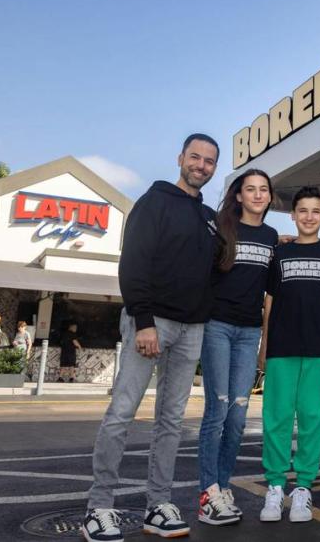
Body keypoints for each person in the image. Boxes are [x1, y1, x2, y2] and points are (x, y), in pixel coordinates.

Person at [82, 133, 220, 542]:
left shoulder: (209, 217)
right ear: (180, 158)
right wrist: (143, 320)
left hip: (192, 327)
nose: (201, 165)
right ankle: (98, 507)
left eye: (209, 161)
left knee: (171, 421)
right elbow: (134, 261)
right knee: (122, 412)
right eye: (194, 157)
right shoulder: (154, 201)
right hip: (153, 321)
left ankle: (157, 505)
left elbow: (213, 268)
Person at [197, 169, 278, 525]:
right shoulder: (221, 227)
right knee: (217, 411)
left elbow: (271, 291)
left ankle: (223, 487)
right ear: (240, 195)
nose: (258, 194)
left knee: (239, 415)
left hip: (248, 332)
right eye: (251, 189)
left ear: (270, 197)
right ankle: (207, 493)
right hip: (216, 326)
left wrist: (265, 338)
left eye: (263, 190)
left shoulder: (272, 236)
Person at [258, 186, 320, 524]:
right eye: (302, 210)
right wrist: (264, 343)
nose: (308, 217)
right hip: (282, 347)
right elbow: (270, 302)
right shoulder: (280, 254)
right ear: (292, 214)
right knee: (276, 418)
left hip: (319, 348)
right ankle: (275, 487)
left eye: (315, 211)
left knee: (311, 418)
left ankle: (303, 488)